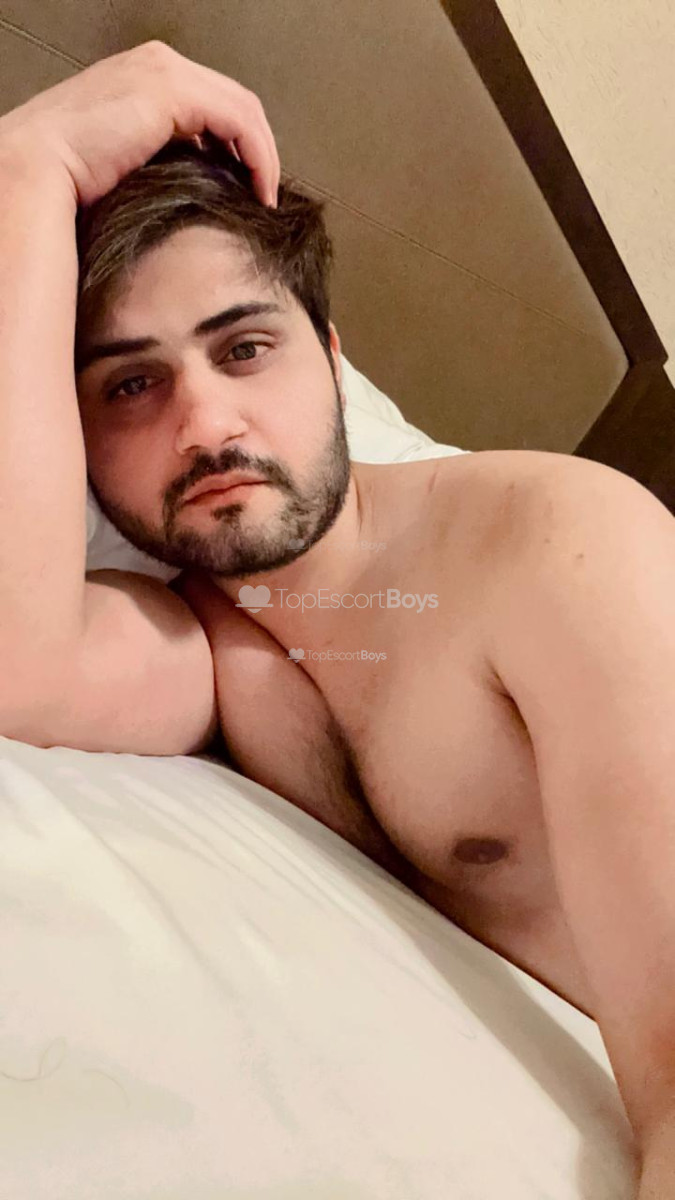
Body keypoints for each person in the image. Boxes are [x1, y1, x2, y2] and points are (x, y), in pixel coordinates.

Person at [2, 42, 675, 1193]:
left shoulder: (555, 549)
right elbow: (20, 668)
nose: (206, 424)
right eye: (131, 384)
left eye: (244, 348)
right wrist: (28, 164)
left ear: (329, 354)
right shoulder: (211, 649)